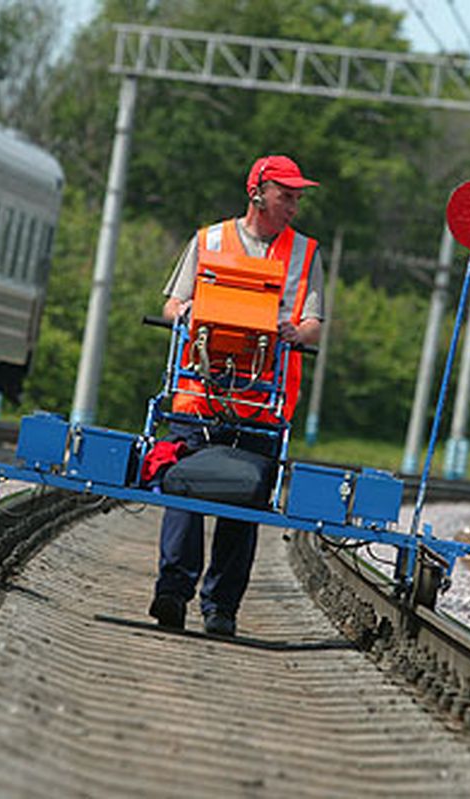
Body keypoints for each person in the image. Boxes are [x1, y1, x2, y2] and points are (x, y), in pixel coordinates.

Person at [147, 154, 324, 636]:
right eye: (285, 195)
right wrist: (184, 312)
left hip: (263, 404)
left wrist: (295, 330)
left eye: (296, 197)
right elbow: (172, 304)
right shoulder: (209, 240)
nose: (293, 204)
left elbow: (312, 326)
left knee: (243, 502)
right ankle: (172, 592)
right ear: (257, 193)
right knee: (183, 489)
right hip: (199, 393)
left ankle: (221, 607)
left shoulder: (306, 253)